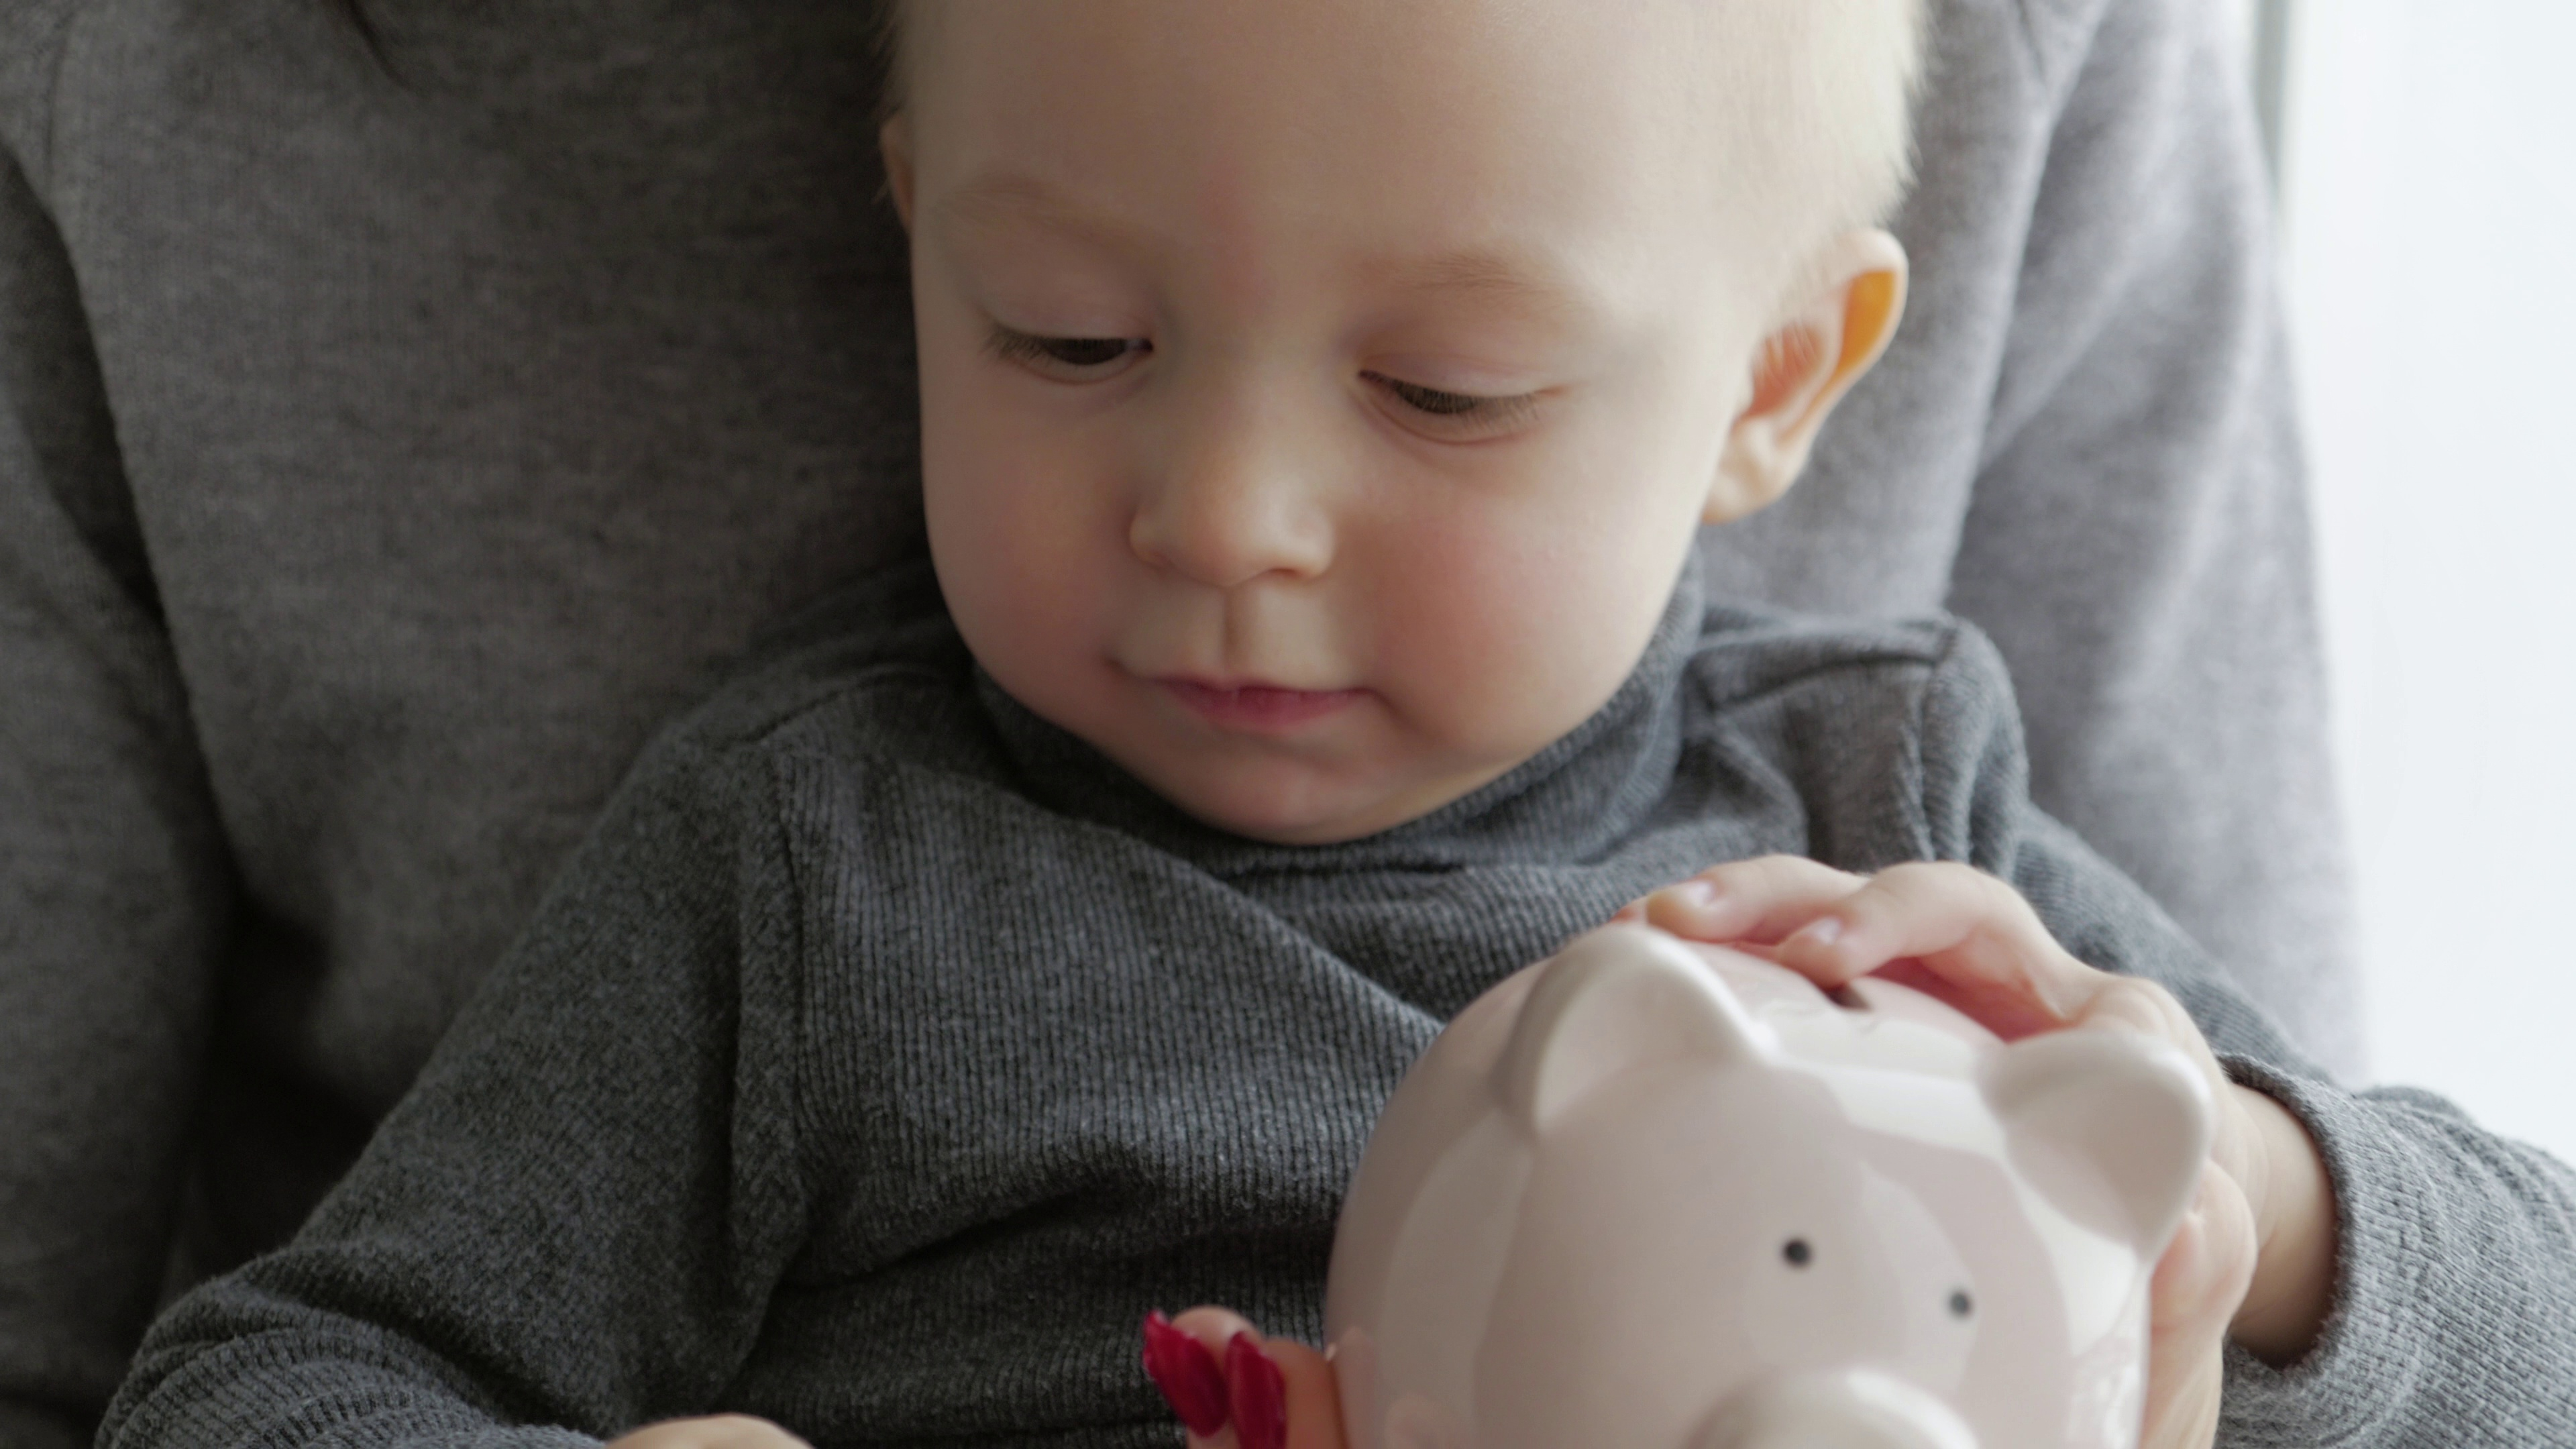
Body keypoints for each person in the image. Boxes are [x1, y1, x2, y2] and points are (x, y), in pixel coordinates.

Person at [97, 2, 2575, 1446]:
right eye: (1069, 337)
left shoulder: (1889, 822)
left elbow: (2539, 1327)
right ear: (915, 228)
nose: (1230, 513)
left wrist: (2240, 1200)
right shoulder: (819, 872)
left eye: (1445, 387)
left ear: (1774, 383)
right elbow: (262, 1383)